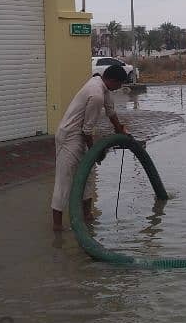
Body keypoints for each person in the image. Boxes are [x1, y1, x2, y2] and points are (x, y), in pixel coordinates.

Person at [51, 64, 130, 231]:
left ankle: (87, 216)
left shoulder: (102, 86)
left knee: (88, 175)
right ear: (112, 80)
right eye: (120, 83)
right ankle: (57, 226)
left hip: (80, 135)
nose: (120, 87)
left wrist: (120, 130)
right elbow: (87, 130)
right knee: (64, 180)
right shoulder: (96, 95)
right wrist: (96, 152)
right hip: (69, 136)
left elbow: (111, 112)